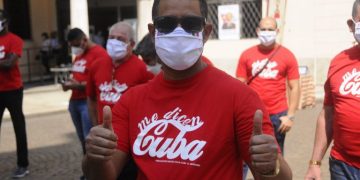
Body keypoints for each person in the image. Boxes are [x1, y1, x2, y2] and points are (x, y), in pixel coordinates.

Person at [82, 1, 292, 179]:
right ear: (153, 32)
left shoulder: (240, 97)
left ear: (206, 32)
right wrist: (94, 156)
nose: (178, 32)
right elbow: (104, 175)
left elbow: (280, 176)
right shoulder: (132, 101)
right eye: (167, 23)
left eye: (191, 23)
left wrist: (271, 163)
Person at [305, 1, 360, 179]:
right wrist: (315, 163)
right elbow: (327, 114)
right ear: (351, 25)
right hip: (342, 165)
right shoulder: (338, 61)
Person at [236, 17, 300, 154]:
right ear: (257, 31)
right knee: (247, 153)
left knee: (276, 155)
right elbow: (239, 85)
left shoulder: (287, 55)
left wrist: (290, 116)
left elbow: (295, 86)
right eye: (263, 29)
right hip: (251, 113)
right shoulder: (246, 55)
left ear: (277, 31)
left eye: (270, 29)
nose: (266, 32)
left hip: (278, 115)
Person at [87, 21, 154, 126]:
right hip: (103, 129)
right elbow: (91, 98)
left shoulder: (142, 69)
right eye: (111, 37)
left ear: (131, 44)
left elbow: (150, 104)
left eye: (120, 39)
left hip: (129, 131)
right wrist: (95, 124)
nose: (114, 42)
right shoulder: (96, 65)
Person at [61, 28, 109, 155]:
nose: (74, 48)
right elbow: (78, 74)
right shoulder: (80, 54)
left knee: (90, 139)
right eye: (71, 46)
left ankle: (94, 172)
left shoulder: (100, 53)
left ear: (84, 40)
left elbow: (102, 82)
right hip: (74, 101)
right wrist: (69, 84)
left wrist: (79, 86)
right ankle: (87, 169)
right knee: (82, 138)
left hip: (86, 102)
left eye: (75, 45)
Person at [0, 9, 29, 178]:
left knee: (19, 127)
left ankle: (23, 164)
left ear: (5, 21)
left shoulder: (14, 40)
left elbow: (10, 64)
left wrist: (5, 62)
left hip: (13, 90)